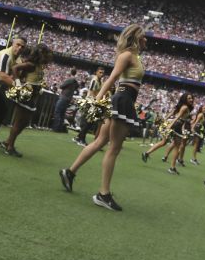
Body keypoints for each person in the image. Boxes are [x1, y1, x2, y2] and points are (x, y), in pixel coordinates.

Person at [58, 25, 147, 211]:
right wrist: (96, 100)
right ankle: (103, 194)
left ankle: (70, 172)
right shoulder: (127, 56)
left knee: (100, 141)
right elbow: (112, 78)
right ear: (136, 39)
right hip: (122, 100)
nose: (146, 40)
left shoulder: (135, 57)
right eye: (144, 37)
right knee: (114, 148)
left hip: (124, 100)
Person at [0, 43, 54, 157]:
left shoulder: (39, 65)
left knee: (24, 122)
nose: (47, 56)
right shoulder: (31, 64)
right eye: (45, 53)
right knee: (19, 122)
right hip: (26, 95)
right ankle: (10, 147)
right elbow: (15, 68)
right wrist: (18, 82)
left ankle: (8, 142)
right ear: (40, 54)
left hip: (33, 96)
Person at [140, 93, 194, 173]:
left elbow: (172, 114)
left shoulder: (182, 106)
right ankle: (172, 168)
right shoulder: (185, 107)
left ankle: (146, 153)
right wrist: (170, 125)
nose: (191, 100)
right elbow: (177, 117)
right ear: (185, 99)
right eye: (189, 98)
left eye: (191, 98)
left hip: (175, 125)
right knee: (177, 147)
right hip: (176, 126)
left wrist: (166, 120)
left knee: (164, 142)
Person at [72, 67, 106, 145]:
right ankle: (81, 139)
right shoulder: (95, 80)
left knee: (89, 123)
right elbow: (92, 92)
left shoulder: (99, 81)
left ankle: (79, 137)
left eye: (102, 73)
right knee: (88, 123)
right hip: (91, 103)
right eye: (100, 72)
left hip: (94, 103)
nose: (101, 74)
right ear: (96, 72)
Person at [50, 68, 80, 132]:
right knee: (62, 114)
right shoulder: (75, 81)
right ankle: (60, 128)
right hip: (68, 98)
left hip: (64, 97)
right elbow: (77, 86)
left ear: (70, 72)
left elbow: (61, 86)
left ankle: (56, 128)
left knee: (57, 112)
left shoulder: (70, 79)